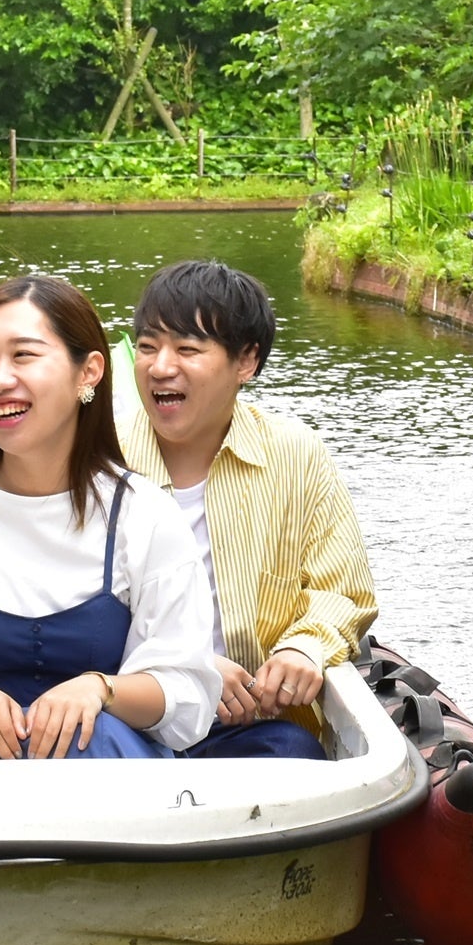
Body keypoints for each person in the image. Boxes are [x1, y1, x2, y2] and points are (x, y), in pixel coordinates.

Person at [0, 275, 222, 760]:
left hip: (112, 775)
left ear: (89, 372)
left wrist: (101, 690)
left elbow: (187, 685)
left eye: (23, 355)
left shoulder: (144, 514)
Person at [120, 260, 376, 761]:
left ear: (246, 362)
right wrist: (188, 667)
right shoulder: (101, 460)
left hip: (250, 721)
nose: (160, 366)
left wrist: (304, 647)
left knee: (293, 753)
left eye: (187, 349)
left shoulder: (295, 453)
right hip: (131, 715)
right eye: (148, 347)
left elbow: (342, 590)